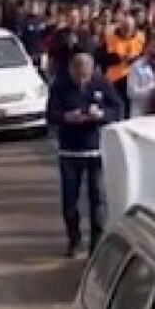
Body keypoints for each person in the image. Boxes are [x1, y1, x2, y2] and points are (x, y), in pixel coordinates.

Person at [46, 53, 123, 258]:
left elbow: (117, 109)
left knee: (97, 199)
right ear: (71, 70)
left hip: (95, 150)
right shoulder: (60, 86)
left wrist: (102, 114)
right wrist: (66, 117)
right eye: (78, 76)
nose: (82, 80)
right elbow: (51, 115)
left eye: (86, 76)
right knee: (70, 200)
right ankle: (74, 240)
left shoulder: (102, 83)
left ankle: (96, 245)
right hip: (69, 151)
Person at [104, 11, 146, 118]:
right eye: (125, 27)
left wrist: (135, 58)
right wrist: (122, 58)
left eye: (130, 28)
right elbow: (104, 57)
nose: (127, 30)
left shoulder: (141, 37)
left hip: (135, 76)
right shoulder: (110, 37)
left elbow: (144, 54)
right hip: (116, 79)